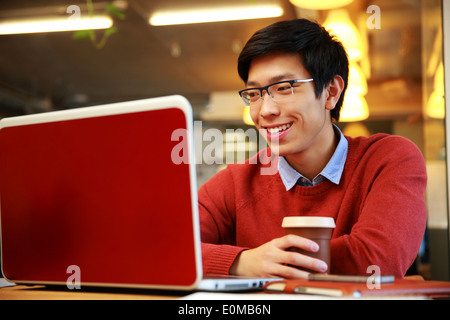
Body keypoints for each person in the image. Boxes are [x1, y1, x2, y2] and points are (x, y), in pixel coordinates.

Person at [198, 19, 427, 279]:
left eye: (284, 88)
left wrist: (274, 263)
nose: (265, 110)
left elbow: (377, 260)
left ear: (331, 92)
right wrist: (242, 261)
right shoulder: (237, 181)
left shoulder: (389, 159)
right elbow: (165, 248)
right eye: (254, 94)